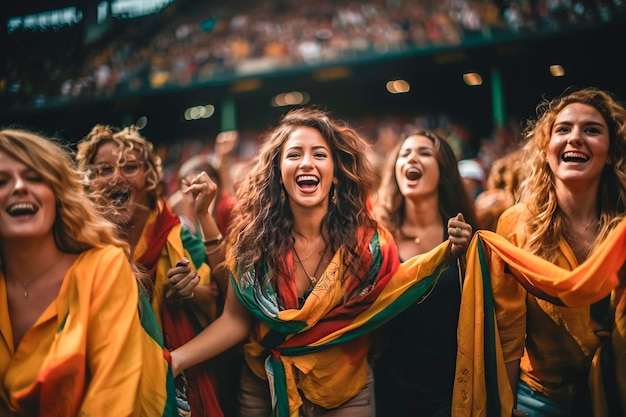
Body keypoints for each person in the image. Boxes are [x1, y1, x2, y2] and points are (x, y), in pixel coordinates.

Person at [168, 107, 473, 417]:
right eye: (294, 155)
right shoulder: (253, 242)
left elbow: (398, 293)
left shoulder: (369, 244)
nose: (306, 163)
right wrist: (176, 359)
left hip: (345, 394)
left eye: (319, 154)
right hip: (264, 389)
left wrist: (448, 253)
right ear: (278, 173)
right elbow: (235, 320)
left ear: (336, 172)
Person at [453, 87, 626, 417]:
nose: (575, 138)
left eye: (592, 129)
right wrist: (507, 409)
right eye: (563, 129)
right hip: (540, 401)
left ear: (612, 151)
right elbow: (508, 330)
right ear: (546, 150)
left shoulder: (624, 227)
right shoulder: (515, 225)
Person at [0, 128, 177, 416]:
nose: (19, 186)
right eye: (1, 181)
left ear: (58, 193)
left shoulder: (105, 266)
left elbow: (111, 400)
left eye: (35, 177)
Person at [75, 125, 226, 417]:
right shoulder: (74, 242)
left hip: (180, 384)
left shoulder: (176, 234)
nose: (117, 176)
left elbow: (221, 306)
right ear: (88, 181)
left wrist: (192, 291)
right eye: (104, 170)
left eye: (130, 167)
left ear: (149, 176)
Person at [371, 130, 478, 417]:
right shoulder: (377, 239)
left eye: (424, 153)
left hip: (450, 391)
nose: (412, 159)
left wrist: (468, 255)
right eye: (405, 154)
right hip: (387, 390)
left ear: (444, 171)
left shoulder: (465, 235)